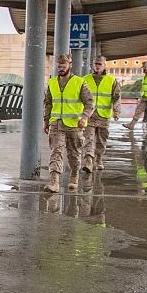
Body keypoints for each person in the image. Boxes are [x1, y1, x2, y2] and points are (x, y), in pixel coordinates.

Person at [43, 52, 93, 193]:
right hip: (56, 123)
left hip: (74, 125)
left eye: (63, 65)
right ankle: (54, 182)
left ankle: (74, 174)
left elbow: (89, 102)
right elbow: (48, 103)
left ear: (70, 65)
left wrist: (84, 118)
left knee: (73, 154)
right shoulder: (52, 82)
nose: (61, 67)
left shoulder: (79, 82)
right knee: (56, 151)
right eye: (59, 65)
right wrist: (46, 120)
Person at [80, 55, 119, 174]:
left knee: (101, 140)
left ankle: (98, 158)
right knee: (89, 138)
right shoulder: (85, 79)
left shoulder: (111, 80)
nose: (97, 67)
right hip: (89, 115)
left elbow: (117, 97)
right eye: (95, 64)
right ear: (92, 65)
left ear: (104, 66)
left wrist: (116, 111)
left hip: (104, 116)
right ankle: (88, 161)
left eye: (99, 64)